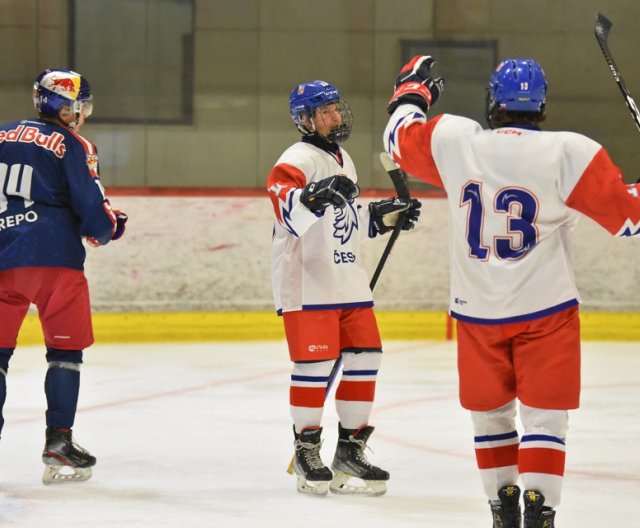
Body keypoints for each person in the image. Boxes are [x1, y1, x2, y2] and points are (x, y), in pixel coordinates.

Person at [383, 56, 640, 527]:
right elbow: (631, 220)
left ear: (493, 103)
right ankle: (540, 515)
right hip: (547, 312)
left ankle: (502, 511)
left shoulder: (455, 141)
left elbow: (397, 140)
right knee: (545, 422)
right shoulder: (571, 151)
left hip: (477, 314)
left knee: (490, 417)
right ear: (542, 105)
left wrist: (412, 92)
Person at [267, 80, 421, 496]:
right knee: (315, 368)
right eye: (326, 110)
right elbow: (287, 210)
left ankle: (350, 450)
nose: (336, 116)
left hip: (347, 279)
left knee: (366, 359)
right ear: (305, 118)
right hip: (308, 282)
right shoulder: (296, 158)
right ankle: (307, 450)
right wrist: (313, 196)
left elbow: (345, 224)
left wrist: (386, 216)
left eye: (337, 108)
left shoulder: (343, 159)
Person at [0, 68, 128, 484]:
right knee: (65, 355)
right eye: (78, 106)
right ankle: (59, 442)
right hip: (55, 259)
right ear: (61, 106)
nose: (81, 115)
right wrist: (110, 226)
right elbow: (94, 213)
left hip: (2, 259)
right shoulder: (73, 144)